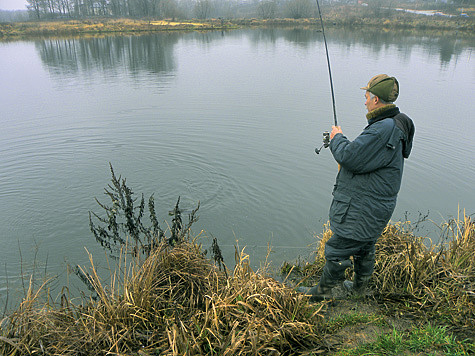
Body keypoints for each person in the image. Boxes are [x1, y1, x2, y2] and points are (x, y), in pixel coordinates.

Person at [307, 74, 415, 301]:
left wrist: (337, 137)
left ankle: (322, 293)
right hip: (376, 204)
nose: (364, 101)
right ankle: (359, 290)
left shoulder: (382, 129)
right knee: (365, 244)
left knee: (338, 247)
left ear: (376, 100)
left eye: (366, 97)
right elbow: (367, 160)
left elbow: (350, 156)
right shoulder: (395, 123)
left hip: (363, 206)